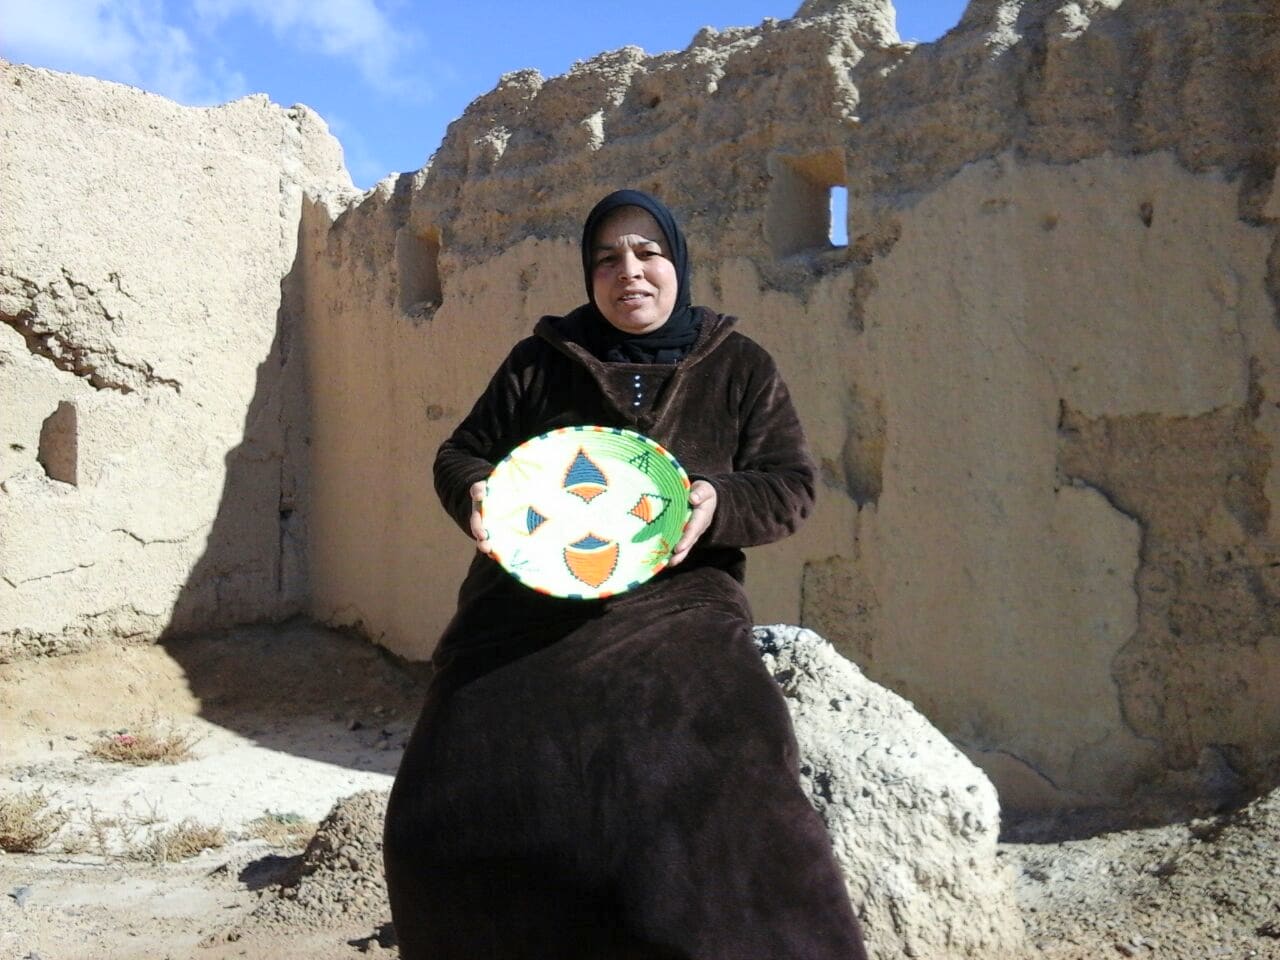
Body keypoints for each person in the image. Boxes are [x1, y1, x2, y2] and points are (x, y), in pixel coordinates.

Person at [383, 189, 869, 960]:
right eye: (608, 258)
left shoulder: (738, 366)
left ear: (677, 262)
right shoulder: (540, 361)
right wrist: (476, 491)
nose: (629, 272)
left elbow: (791, 485)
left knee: (719, 773)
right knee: (446, 796)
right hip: (523, 606)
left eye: (648, 253)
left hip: (680, 607)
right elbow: (461, 453)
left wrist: (718, 501)